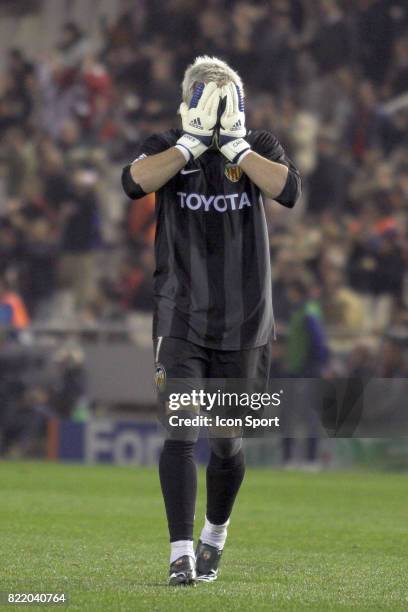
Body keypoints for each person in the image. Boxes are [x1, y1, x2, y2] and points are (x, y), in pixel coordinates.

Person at [121, 56, 301, 585]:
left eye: (224, 94)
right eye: (205, 93)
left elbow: (288, 191)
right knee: (179, 430)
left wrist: (237, 147)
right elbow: (133, 182)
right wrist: (191, 144)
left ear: (239, 104)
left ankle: (213, 536)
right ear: (189, 101)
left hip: (246, 322)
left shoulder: (260, 146)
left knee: (226, 441)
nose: (215, 104)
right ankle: (180, 555)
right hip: (180, 316)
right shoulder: (168, 145)